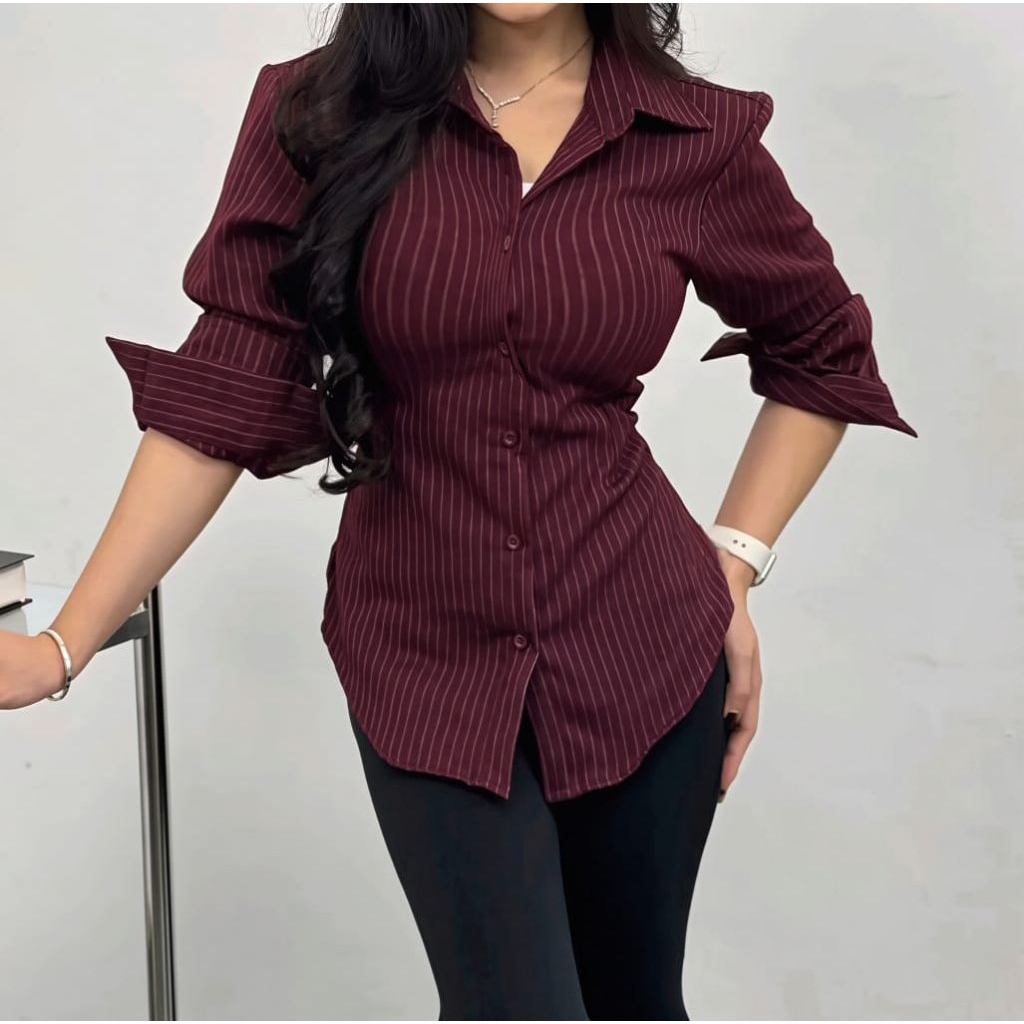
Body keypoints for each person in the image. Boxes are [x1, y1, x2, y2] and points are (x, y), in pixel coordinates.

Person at [0, 4, 916, 1020]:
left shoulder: (692, 134)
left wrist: (732, 564)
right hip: (421, 657)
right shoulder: (318, 114)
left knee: (636, 1002)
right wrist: (62, 646)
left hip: (645, 647)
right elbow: (225, 389)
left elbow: (823, 347)